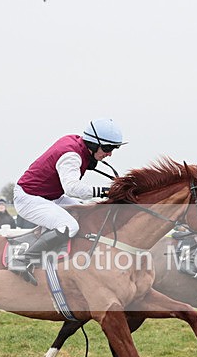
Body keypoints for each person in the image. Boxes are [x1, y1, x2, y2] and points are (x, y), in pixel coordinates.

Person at [11, 118, 125, 283]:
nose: (109, 154)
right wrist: (104, 191)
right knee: (69, 226)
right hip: (29, 198)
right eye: (107, 148)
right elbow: (72, 188)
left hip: (51, 196)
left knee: (86, 213)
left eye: (113, 149)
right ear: (93, 144)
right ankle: (22, 260)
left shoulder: (77, 143)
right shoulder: (71, 155)